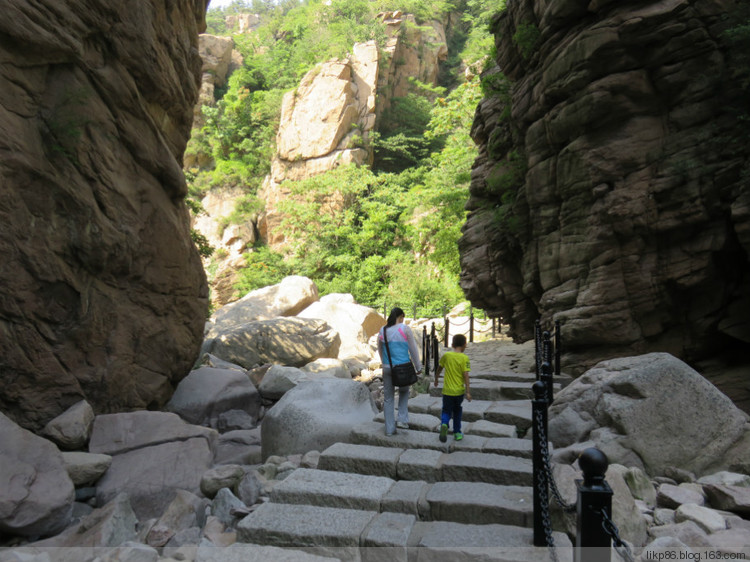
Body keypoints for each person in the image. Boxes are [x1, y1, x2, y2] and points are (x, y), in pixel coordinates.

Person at [378, 307, 423, 436]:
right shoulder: (404, 329)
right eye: (403, 317)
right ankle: (402, 420)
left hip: (387, 367)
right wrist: (418, 367)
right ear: (401, 316)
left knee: (388, 398)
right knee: (404, 392)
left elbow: (380, 349)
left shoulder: (383, 330)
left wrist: (384, 363)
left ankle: (389, 429)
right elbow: (413, 349)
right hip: (403, 367)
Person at [434, 333, 472, 441]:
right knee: (457, 411)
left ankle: (444, 424)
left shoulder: (447, 356)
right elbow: (466, 375)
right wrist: (468, 392)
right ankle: (457, 432)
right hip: (459, 391)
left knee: (446, 410)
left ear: (452, 344)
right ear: (464, 345)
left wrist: (436, 379)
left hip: (447, 391)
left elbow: (439, 368)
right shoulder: (465, 358)